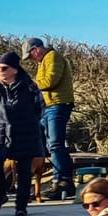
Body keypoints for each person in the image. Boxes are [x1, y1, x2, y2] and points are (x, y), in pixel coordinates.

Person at [0, 50, 48, 216]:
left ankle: (21, 205)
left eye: (4, 68)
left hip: (25, 130)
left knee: (24, 169)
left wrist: (27, 121)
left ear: (15, 69)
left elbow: (40, 107)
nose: (0, 71)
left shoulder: (30, 86)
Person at [25, 37, 76, 201]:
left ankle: (63, 181)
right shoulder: (43, 61)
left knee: (55, 143)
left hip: (57, 105)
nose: (31, 59)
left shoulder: (53, 57)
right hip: (48, 106)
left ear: (36, 49)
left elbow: (50, 81)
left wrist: (29, 84)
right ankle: (58, 180)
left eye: (30, 55)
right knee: (47, 143)